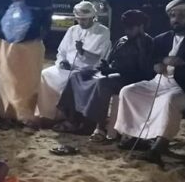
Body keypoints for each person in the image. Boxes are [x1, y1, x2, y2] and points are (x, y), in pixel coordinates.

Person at [57, 10, 153, 140]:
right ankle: (73, 119)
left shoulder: (147, 43)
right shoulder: (122, 40)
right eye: (126, 28)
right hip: (113, 73)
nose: (127, 31)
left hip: (130, 78)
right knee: (77, 75)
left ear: (141, 27)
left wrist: (115, 70)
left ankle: (99, 127)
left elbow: (144, 71)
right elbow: (110, 59)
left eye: (131, 28)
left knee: (102, 83)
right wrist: (105, 66)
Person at [114, 0, 185, 164]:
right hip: (160, 82)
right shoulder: (162, 39)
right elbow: (151, 62)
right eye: (173, 15)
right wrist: (158, 65)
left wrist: (182, 63)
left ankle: (159, 146)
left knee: (169, 101)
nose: (177, 19)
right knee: (129, 91)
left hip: (183, 87)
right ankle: (135, 137)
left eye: (182, 15)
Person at [38, 1, 111, 122]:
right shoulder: (72, 30)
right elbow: (61, 51)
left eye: (84, 19)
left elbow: (99, 57)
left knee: (73, 78)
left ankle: (67, 116)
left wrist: (82, 51)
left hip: (87, 71)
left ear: (92, 17)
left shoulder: (102, 31)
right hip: (67, 68)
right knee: (45, 74)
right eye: (79, 19)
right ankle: (48, 114)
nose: (81, 22)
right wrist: (62, 62)